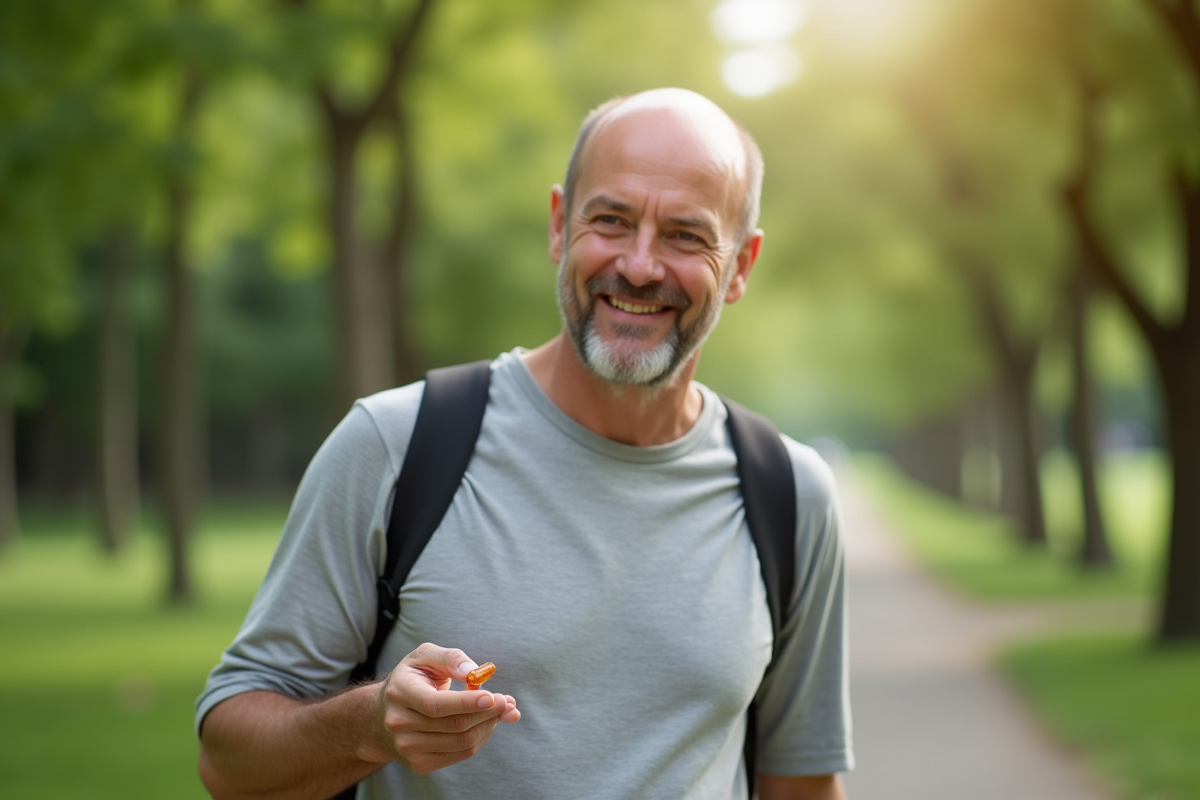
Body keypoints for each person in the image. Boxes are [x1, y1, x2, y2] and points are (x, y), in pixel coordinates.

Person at [196, 87, 853, 800]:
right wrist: (371, 725)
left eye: (685, 235)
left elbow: (801, 785)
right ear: (557, 225)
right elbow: (229, 766)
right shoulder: (397, 446)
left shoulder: (791, 496)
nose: (638, 265)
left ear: (742, 268)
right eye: (610, 220)